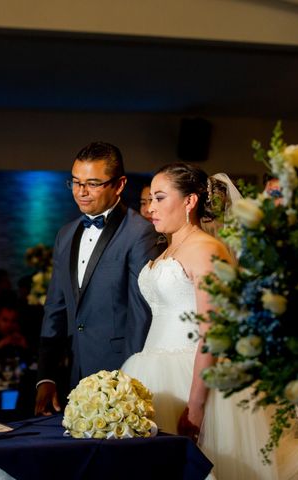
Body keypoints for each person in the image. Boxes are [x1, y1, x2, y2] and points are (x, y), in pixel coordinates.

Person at [121, 162, 279, 479]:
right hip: (149, 370)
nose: (150, 208)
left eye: (160, 198)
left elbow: (213, 332)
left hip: (192, 374)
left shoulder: (207, 250)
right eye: (150, 199)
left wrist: (195, 406)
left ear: (190, 201)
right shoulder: (165, 251)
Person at [35, 141, 161, 416]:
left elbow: (141, 314)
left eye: (92, 183)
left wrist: (128, 380)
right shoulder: (65, 234)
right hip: (72, 371)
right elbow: (55, 308)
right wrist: (46, 375)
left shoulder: (139, 233)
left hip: (119, 374)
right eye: (76, 182)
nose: (81, 192)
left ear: (119, 185)